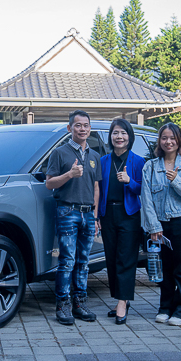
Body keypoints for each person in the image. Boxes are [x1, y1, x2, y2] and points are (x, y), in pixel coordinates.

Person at [141, 123, 181, 327]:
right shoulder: (150, 166)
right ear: (159, 141)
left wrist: (177, 180)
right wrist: (153, 226)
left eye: (172, 138)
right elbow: (146, 199)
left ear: (179, 141)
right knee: (164, 268)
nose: (168, 142)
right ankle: (165, 307)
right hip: (159, 224)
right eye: (164, 138)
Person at [45, 110, 101, 326]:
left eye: (86, 125)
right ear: (69, 129)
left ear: (90, 128)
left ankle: (80, 302)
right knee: (67, 260)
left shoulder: (95, 156)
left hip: (88, 213)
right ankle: (63, 304)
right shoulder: (60, 153)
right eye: (78, 125)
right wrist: (69, 175)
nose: (82, 129)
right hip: (67, 212)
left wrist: (95, 215)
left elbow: (96, 187)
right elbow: (49, 183)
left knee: (83, 261)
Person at [99, 119, 145, 325]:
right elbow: (97, 190)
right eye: (115, 133)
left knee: (126, 258)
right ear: (110, 136)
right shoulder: (103, 161)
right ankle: (121, 297)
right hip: (108, 214)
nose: (119, 137)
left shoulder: (137, 160)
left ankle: (122, 303)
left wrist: (130, 181)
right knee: (111, 258)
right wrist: (98, 215)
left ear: (130, 137)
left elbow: (144, 190)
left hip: (129, 215)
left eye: (123, 133)